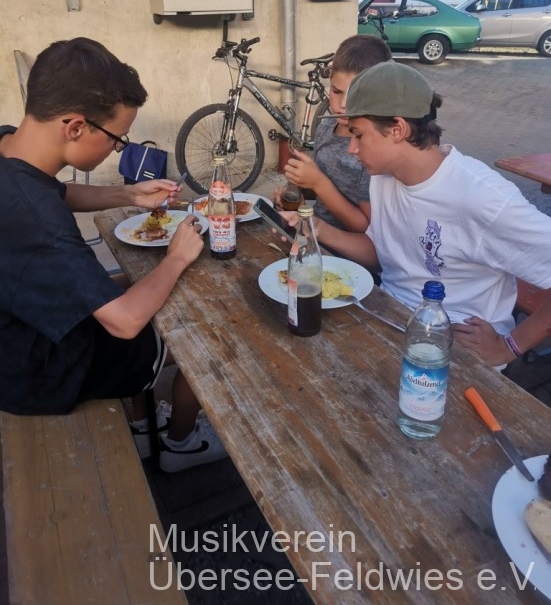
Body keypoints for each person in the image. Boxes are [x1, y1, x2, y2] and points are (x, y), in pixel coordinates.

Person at [0, 37, 226, 473]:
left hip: (20, 325)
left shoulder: (10, 147)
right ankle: (181, 445)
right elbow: (124, 322)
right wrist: (176, 256)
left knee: (132, 283)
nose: (118, 148)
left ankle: (142, 428)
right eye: (117, 139)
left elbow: (55, 191)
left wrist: (127, 194)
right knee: (196, 326)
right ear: (75, 127)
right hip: (37, 369)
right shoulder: (37, 221)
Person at [294, 60, 551, 369]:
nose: (351, 148)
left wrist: (510, 345)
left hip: (454, 352)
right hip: (388, 318)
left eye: (358, 135)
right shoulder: (384, 177)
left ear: (397, 129)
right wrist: (316, 229)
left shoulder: (483, 199)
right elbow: (384, 254)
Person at [273, 35, 392, 232]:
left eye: (354, 95)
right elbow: (324, 193)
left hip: (346, 246)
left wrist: (319, 183)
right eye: (336, 92)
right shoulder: (326, 127)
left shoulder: (372, 149)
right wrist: (296, 193)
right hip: (313, 232)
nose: (343, 104)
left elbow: (366, 228)